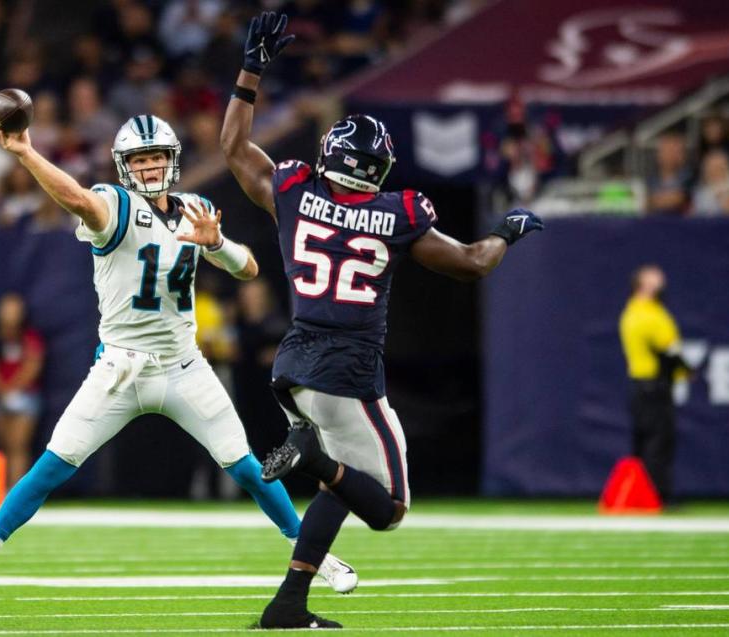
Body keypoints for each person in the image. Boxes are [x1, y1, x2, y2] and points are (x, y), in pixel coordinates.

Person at [0, 112, 357, 594]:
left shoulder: (196, 208)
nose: (149, 168)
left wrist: (219, 245)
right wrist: (25, 152)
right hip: (120, 368)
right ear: (125, 166)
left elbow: (250, 268)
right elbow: (77, 198)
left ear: (172, 160)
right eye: (140, 160)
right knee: (52, 464)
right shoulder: (115, 205)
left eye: (156, 158)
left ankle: (317, 558)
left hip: (184, 366)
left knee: (247, 466)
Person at [220, 12, 544, 629]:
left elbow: (233, 148)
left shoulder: (294, 189)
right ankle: (310, 458)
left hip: (292, 364)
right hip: (347, 369)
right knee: (389, 507)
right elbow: (473, 265)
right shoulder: (397, 212)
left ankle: (287, 604)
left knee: (341, 486)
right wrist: (509, 229)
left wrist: (251, 69)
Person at [619, 265, 689, 504]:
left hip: (643, 385)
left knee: (646, 441)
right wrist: (685, 368)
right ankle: (656, 495)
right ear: (643, 284)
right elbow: (667, 350)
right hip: (653, 384)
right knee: (658, 442)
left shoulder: (639, 311)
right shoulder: (645, 313)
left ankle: (642, 494)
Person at [0, 292, 45, 487]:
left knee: (18, 446)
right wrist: (0, 388)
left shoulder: (30, 337)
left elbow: (33, 365)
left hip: (25, 396)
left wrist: (13, 387)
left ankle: (16, 492)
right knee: (1, 445)